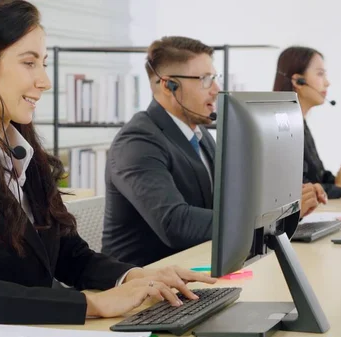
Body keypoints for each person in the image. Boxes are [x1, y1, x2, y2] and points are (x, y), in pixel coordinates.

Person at [0, 2, 215, 336]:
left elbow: (70, 254)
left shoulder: (23, 152)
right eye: (29, 63)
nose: (45, 81)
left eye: (44, 63)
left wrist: (134, 277)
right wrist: (91, 305)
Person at [101, 36, 324, 267]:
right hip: (143, 284)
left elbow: (231, 199)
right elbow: (175, 223)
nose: (216, 90)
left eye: (214, 78)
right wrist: (262, 218)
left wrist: (285, 208)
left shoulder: (200, 135)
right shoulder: (138, 142)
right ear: (169, 85)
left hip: (194, 268)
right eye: (205, 80)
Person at [273, 46, 341, 199]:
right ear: (298, 81)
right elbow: (302, 187)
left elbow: (316, 176)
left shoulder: (300, 123)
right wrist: (338, 187)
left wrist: (340, 179)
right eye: (320, 74)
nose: (327, 83)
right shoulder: (284, 129)